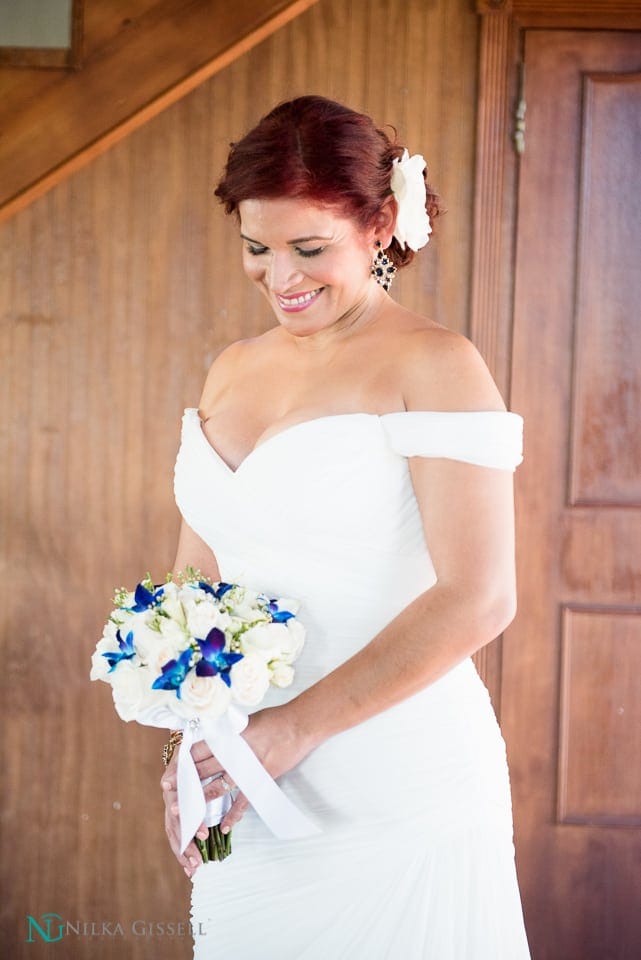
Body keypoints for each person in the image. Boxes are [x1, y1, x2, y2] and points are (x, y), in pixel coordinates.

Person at [161, 95, 530, 958]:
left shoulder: (435, 364)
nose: (280, 276)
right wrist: (198, 740)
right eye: (257, 248)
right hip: (242, 760)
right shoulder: (232, 368)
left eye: (309, 249)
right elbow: (199, 566)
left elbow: (478, 597)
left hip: (393, 771)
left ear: (379, 228)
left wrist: (292, 729)